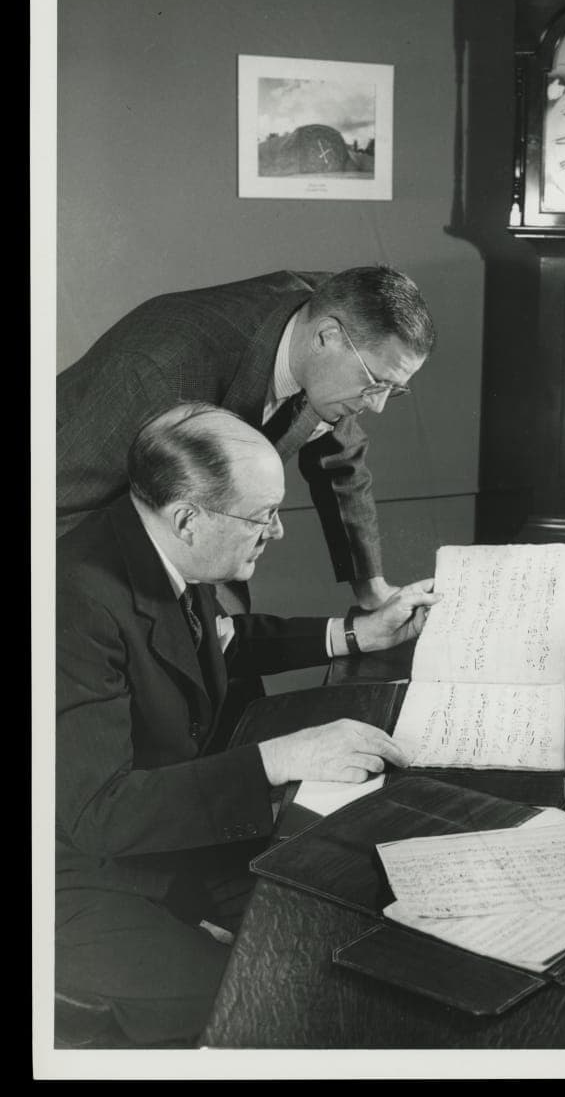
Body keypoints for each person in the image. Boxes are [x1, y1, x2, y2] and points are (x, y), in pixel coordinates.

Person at [55, 403, 439, 1046]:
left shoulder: (159, 542)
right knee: (267, 1001)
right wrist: (278, 759)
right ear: (188, 518)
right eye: (262, 517)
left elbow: (213, 642)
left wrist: (357, 633)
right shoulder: (73, 601)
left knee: (350, 917)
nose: (277, 532)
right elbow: (99, 814)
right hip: (78, 873)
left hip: (166, 835)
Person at [56, 265, 436, 611]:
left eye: (393, 390)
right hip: (75, 509)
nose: (378, 406)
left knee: (229, 636)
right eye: (376, 384)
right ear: (326, 336)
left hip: (199, 539)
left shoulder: (339, 329)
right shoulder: (164, 366)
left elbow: (340, 460)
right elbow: (59, 504)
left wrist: (372, 590)